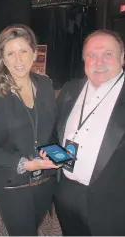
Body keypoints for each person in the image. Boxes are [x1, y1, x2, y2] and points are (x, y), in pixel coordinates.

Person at [0, 24, 60, 236]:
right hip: (13, 182)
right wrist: (25, 164)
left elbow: (51, 131)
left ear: (34, 53)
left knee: (33, 226)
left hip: (44, 179)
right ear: (2, 59)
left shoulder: (44, 84)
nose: (18, 60)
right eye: (10, 54)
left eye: (23, 51)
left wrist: (57, 152)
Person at [54, 29, 125, 235]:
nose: (98, 61)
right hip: (66, 194)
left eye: (108, 54)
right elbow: (56, 132)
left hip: (112, 204)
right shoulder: (70, 89)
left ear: (122, 57)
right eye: (91, 55)